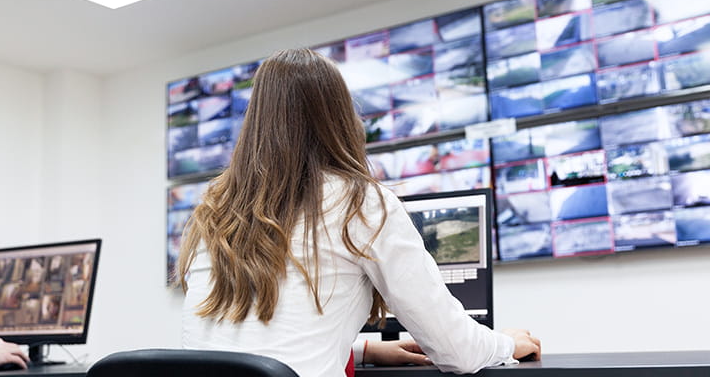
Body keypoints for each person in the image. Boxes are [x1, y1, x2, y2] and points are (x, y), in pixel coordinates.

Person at [177, 48, 541, 377]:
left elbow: (247, 342)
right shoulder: (361, 201)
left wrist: (364, 348)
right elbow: (456, 351)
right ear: (339, 118)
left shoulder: (214, 210)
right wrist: (506, 343)